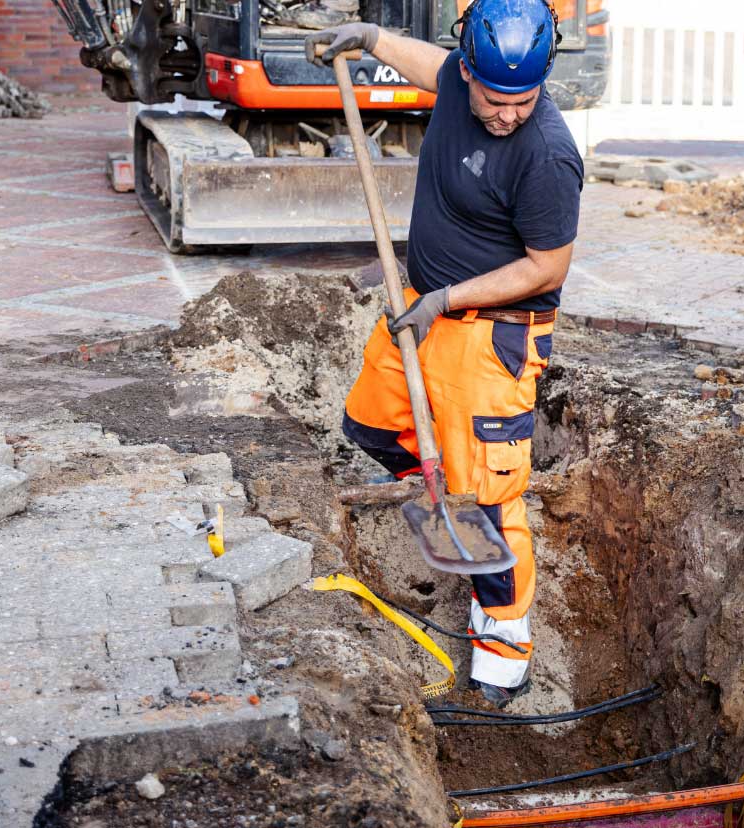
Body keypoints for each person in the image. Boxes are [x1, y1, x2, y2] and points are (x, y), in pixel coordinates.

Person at [307, 0, 583, 707]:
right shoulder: (459, 82)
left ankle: (503, 654)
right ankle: (446, 509)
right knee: (370, 425)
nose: (507, 115)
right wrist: (372, 38)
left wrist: (446, 300)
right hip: (424, 308)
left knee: (488, 497)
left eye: (523, 101)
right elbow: (430, 65)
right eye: (495, 99)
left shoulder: (548, 155)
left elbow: (546, 267)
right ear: (470, 74)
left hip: (492, 335)